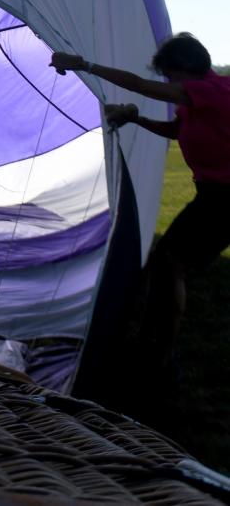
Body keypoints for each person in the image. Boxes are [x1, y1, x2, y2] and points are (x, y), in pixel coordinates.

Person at [51, 33, 230, 372]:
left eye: (169, 74)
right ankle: (155, 343)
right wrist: (135, 119)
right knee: (167, 263)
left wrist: (84, 66)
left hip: (223, 197)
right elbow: (178, 131)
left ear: (183, 68)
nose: (167, 81)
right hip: (213, 195)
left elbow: (139, 85)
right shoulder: (206, 93)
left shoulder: (206, 90)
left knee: (171, 263)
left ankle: (160, 353)